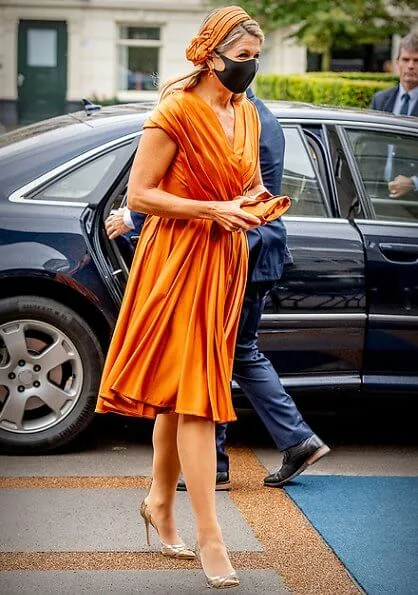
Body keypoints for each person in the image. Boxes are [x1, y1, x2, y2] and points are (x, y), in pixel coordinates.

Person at [96, 5, 270, 589]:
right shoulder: (174, 111)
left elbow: (250, 183)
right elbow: (140, 196)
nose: (250, 69)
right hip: (173, 263)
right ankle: (211, 537)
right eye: (242, 59)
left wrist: (255, 204)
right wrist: (213, 210)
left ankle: (158, 503)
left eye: (255, 59)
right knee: (196, 397)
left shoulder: (243, 112)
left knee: (177, 398)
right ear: (212, 53)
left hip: (223, 264)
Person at [106, 87, 330, 493]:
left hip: (237, 248)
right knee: (236, 351)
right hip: (259, 248)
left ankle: (219, 465)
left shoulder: (238, 118)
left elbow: (205, 186)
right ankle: (295, 441)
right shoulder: (261, 116)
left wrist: (133, 217)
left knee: (214, 353)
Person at [371, 31, 418, 199]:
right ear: (397, 63)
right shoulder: (380, 100)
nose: (410, 66)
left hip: (412, 203)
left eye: (416, 60)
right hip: (376, 194)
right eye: (406, 60)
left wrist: (414, 182)